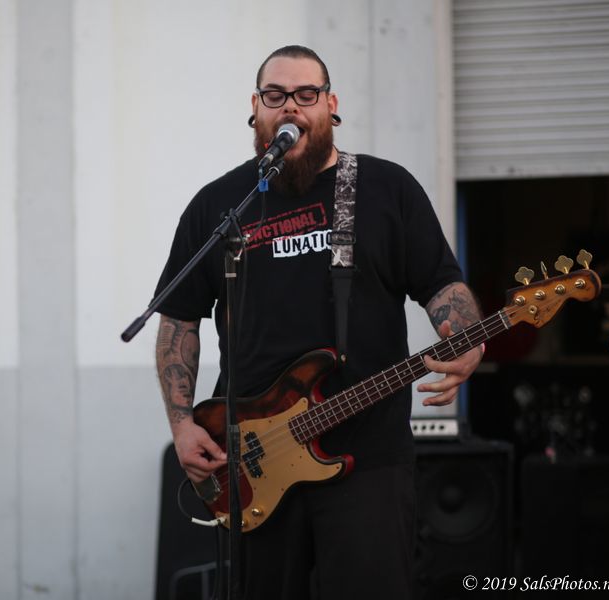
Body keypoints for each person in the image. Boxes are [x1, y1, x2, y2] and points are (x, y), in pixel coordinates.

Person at [154, 45, 483, 599]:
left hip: (369, 458)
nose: (291, 106)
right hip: (253, 460)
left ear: (331, 106)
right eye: (275, 95)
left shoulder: (387, 188)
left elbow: (442, 285)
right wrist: (182, 424)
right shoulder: (219, 206)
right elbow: (178, 321)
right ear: (255, 108)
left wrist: (466, 335)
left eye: (306, 94)